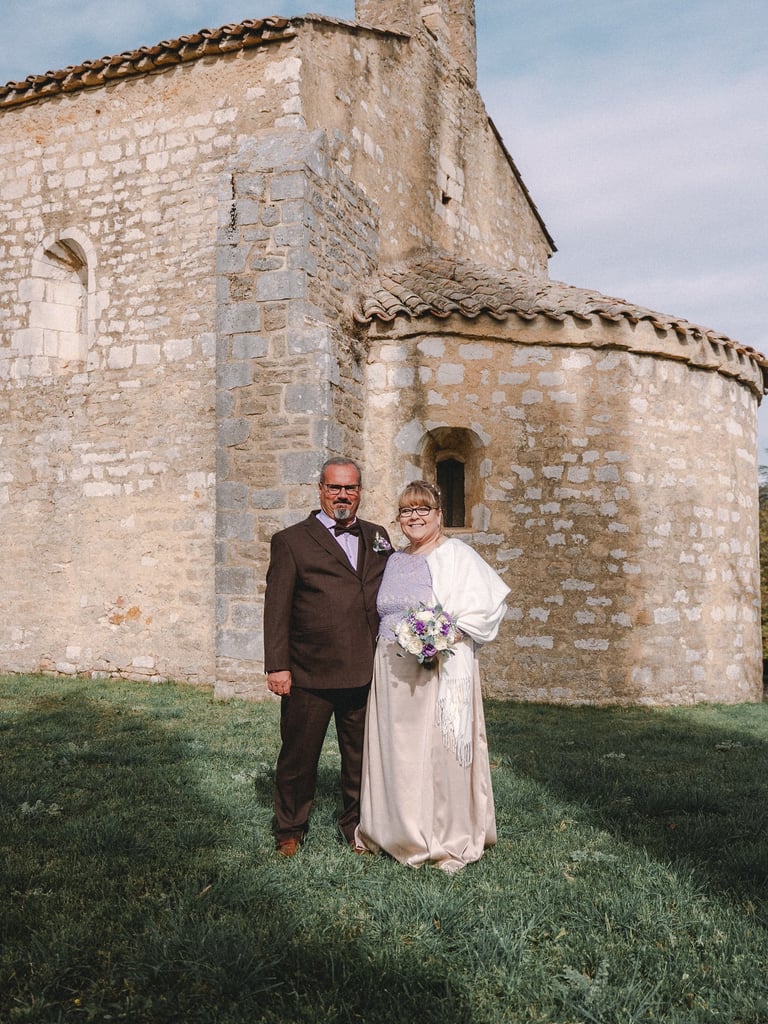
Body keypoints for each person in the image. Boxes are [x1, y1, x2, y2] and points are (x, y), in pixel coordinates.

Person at [356, 480, 510, 874]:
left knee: (431, 750)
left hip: (433, 668)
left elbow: (489, 604)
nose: (414, 517)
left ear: (439, 515)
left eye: (423, 509)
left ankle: (440, 833)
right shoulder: (394, 559)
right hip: (388, 666)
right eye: (407, 510)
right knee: (395, 749)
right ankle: (392, 829)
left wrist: (448, 635)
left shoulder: (455, 555)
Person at [263, 456, 392, 857]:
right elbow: (277, 608)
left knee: (361, 759)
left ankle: (358, 828)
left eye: (350, 487)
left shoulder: (378, 535)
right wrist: (278, 665)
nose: (342, 495)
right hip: (309, 672)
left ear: (360, 492)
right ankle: (289, 829)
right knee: (299, 758)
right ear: (320, 489)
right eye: (335, 487)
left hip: (364, 669)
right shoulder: (291, 541)